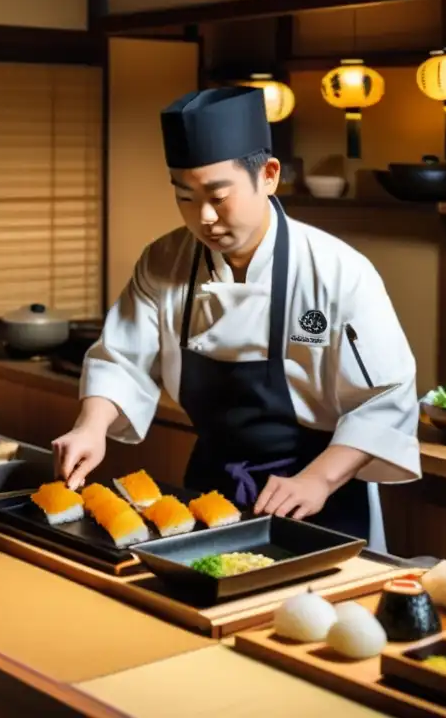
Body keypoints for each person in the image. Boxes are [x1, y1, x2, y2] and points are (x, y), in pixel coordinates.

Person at [51, 86, 421, 552]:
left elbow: (386, 399)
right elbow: (122, 359)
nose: (203, 218)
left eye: (218, 196)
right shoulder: (163, 260)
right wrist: (91, 425)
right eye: (185, 198)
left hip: (322, 494)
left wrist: (318, 481)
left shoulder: (336, 271)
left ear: (268, 176)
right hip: (211, 488)